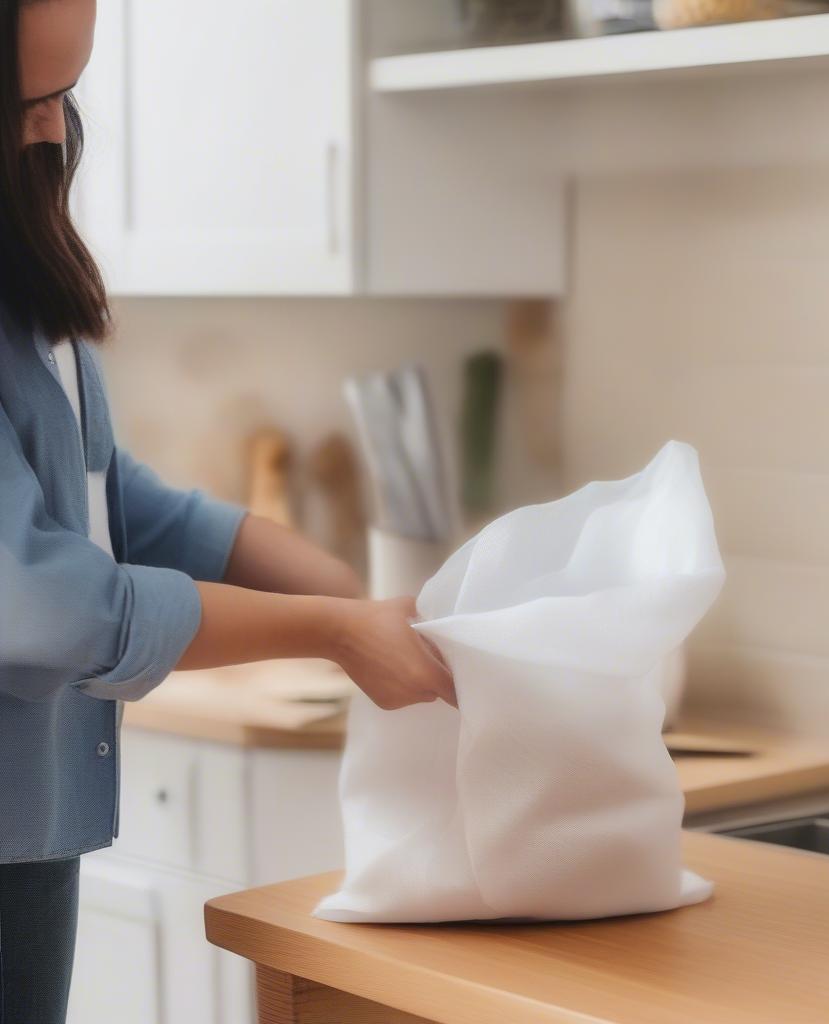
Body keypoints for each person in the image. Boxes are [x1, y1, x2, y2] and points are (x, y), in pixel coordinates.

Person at [0, 1, 455, 1020]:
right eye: (22, 102)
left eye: (65, 97)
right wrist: (332, 630)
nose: (47, 132)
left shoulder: (20, 274)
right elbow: (45, 608)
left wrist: (342, 590)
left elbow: (112, 502)